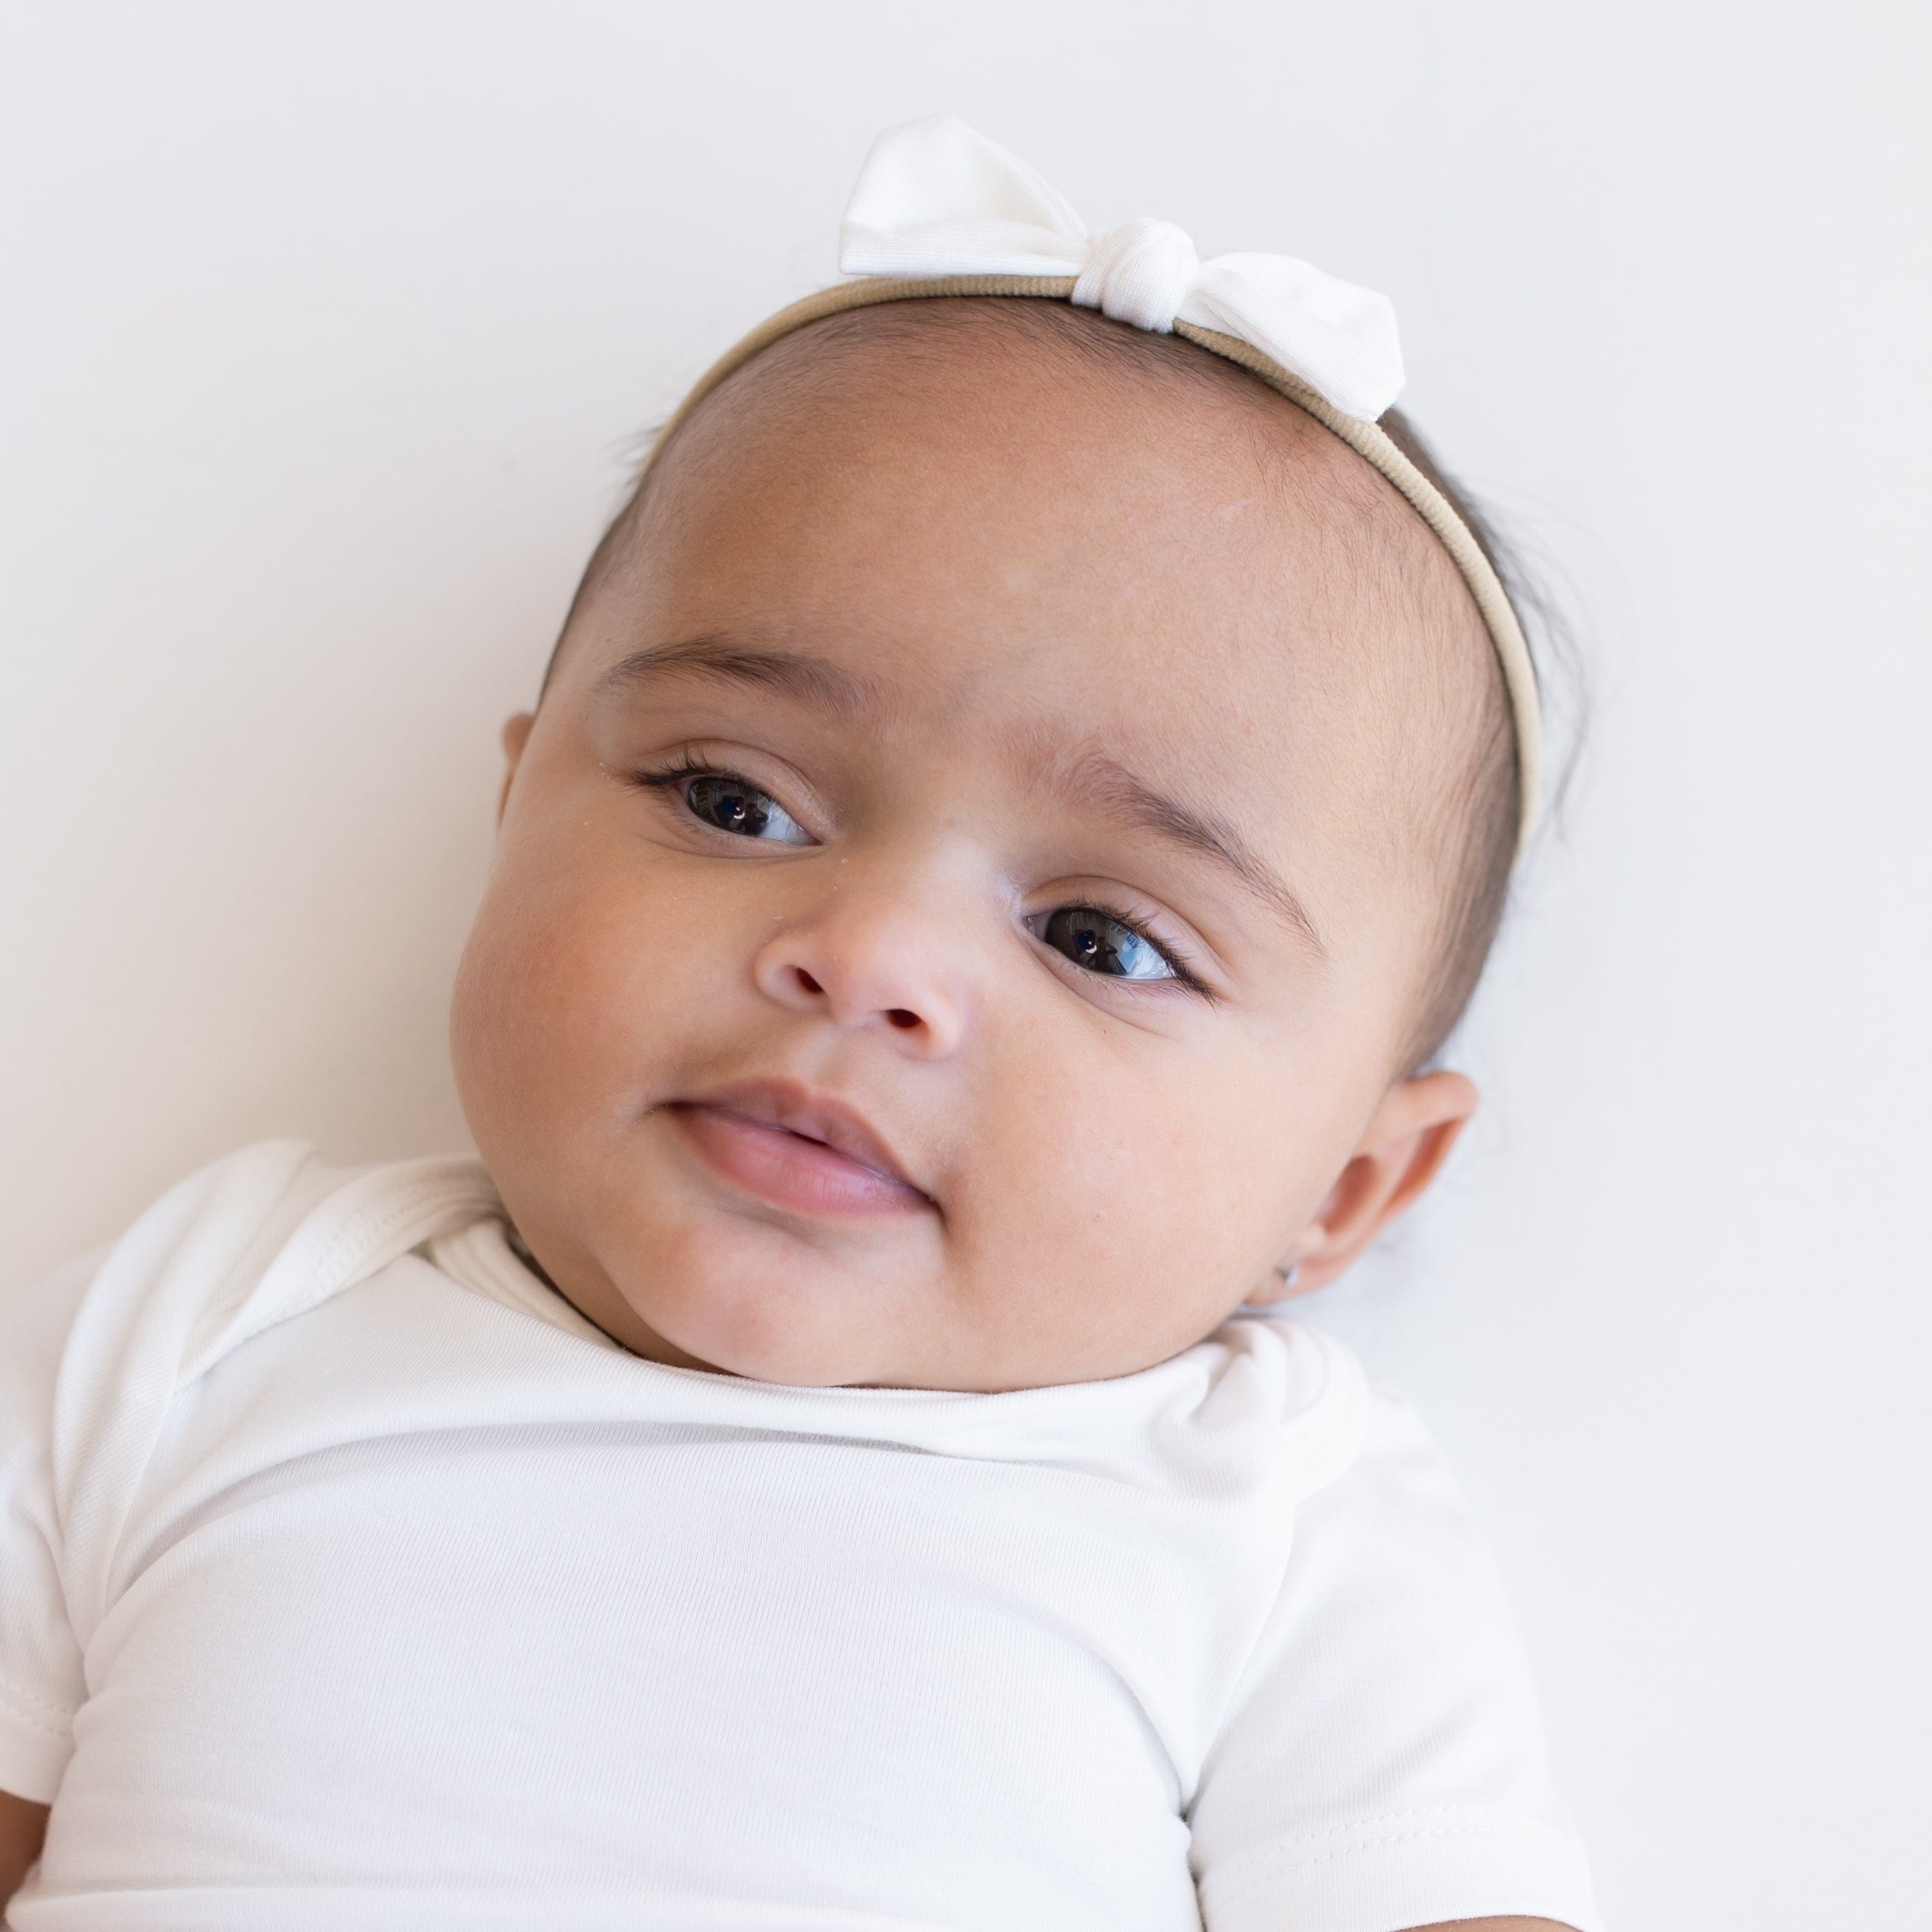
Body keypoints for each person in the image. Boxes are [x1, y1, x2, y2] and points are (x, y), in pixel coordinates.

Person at [0, 118, 1598, 1931]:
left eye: (1101, 936)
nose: (872, 958)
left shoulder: (1276, 1507)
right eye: (734, 802)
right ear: (515, 818)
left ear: (1350, 1187)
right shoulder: (203, 1317)